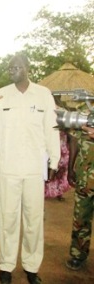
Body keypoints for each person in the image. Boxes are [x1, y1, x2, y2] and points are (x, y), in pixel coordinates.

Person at [0, 54, 60, 284]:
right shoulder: (2, 96)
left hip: (34, 169)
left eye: (17, 67)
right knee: (7, 218)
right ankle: (6, 266)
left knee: (33, 219)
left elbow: (52, 129)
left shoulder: (44, 95)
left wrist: (54, 161)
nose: (12, 70)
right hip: (8, 167)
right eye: (10, 68)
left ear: (28, 68)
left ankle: (31, 266)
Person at [65, 116, 94, 270]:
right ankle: (78, 254)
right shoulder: (85, 111)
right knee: (81, 217)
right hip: (85, 176)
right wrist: (71, 168)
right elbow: (74, 140)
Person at [44, 130, 71, 201]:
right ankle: (44, 192)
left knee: (61, 173)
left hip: (63, 148)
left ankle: (59, 193)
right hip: (51, 146)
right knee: (47, 171)